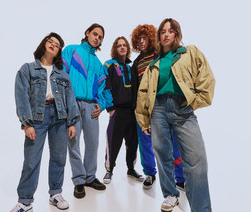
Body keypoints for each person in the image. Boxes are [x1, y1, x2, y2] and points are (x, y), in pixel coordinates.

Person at [135, 18, 225, 212]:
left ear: (177, 34)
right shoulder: (153, 64)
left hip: (182, 108)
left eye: (171, 31)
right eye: (163, 32)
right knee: (162, 154)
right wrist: (144, 119)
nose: (166, 35)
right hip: (157, 110)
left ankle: (201, 211)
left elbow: (206, 78)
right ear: (159, 37)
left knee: (196, 158)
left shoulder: (189, 52)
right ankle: (170, 194)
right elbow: (143, 92)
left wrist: (194, 101)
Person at [2, 33, 80, 212]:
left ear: (59, 51)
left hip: (60, 117)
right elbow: (21, 96)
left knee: (59, 157)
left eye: (57, 44)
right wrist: (27, 122)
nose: (53, 45)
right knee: (31, 159)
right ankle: (25, 202)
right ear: (44, 44)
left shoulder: (62, 74)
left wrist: (72, 122)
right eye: (50, 41)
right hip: (37, 117)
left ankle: (55, 193)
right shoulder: (27, 69)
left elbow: (70, 99)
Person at [130, 24, 185, 191]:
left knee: (173, 142)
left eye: (144, 38)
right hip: (144, 107)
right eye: (138, 39)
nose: (141, 42)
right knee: (145, 142)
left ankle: (181, 177)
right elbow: (135, 88)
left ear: (151, 39)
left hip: (163, 104)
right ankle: (150, 173)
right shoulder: (137, 62)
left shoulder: (160, 56)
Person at [62, 23, 109, 198]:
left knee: (93, 143)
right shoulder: (72, 51)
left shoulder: (98, 63)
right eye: (95, 34)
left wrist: (101, 105)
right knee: (73, 143)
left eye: (100, 37)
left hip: (91, 107)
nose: (97, 38)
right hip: (73, 103)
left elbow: (103, 87)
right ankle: (79, 180)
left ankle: (90, 177)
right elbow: (61, 76)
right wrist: (66, 102)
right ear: (87, 33)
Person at [101, 36, 143, 184]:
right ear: (115, 48)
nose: (122, 47)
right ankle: (109, 170)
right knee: (113, 141)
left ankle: (131, 169)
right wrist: (110, 108)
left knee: (133, 142)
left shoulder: (131, 68)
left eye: (124, 45)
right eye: (119, 45)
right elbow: (105, 85)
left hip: (132, 111)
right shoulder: (109, 65)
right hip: (117, 110)